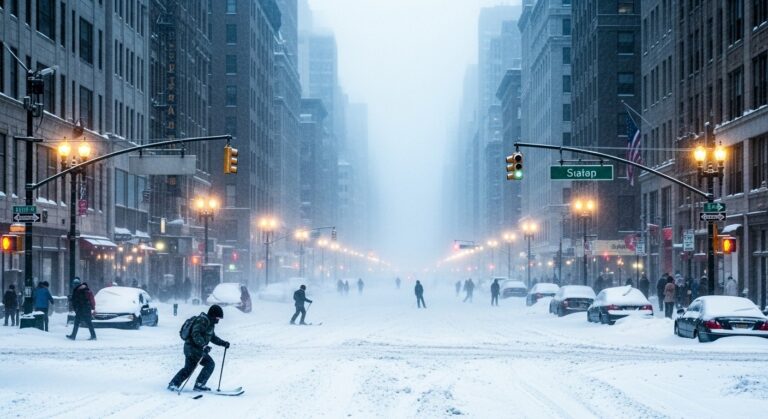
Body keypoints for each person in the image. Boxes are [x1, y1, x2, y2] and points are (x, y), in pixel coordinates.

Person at [168, 304, 230, 392]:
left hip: (193, 349)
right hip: (192, 348)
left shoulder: (210, 324)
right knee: (210, 364)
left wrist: (223, 343)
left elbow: (212, 337)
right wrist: (204, 345)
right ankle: (199, 384)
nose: (218, 320)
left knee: (188, 369)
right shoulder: (202, 321)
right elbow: (195, 334)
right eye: (217, 318)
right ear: (213, 315)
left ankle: (174, 384)